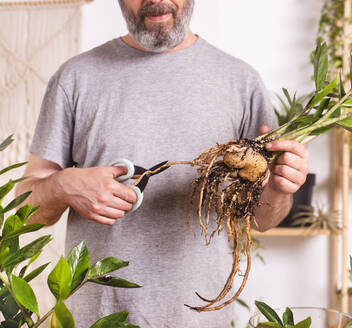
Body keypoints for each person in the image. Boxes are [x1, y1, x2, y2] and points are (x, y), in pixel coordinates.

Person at [16, 0, 310, 327]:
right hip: (95, 319)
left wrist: (281, 188)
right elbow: (24, 214)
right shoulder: (75, 78)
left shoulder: (241, 82)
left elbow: (262, 219)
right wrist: (64, 185)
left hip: (201, 320)